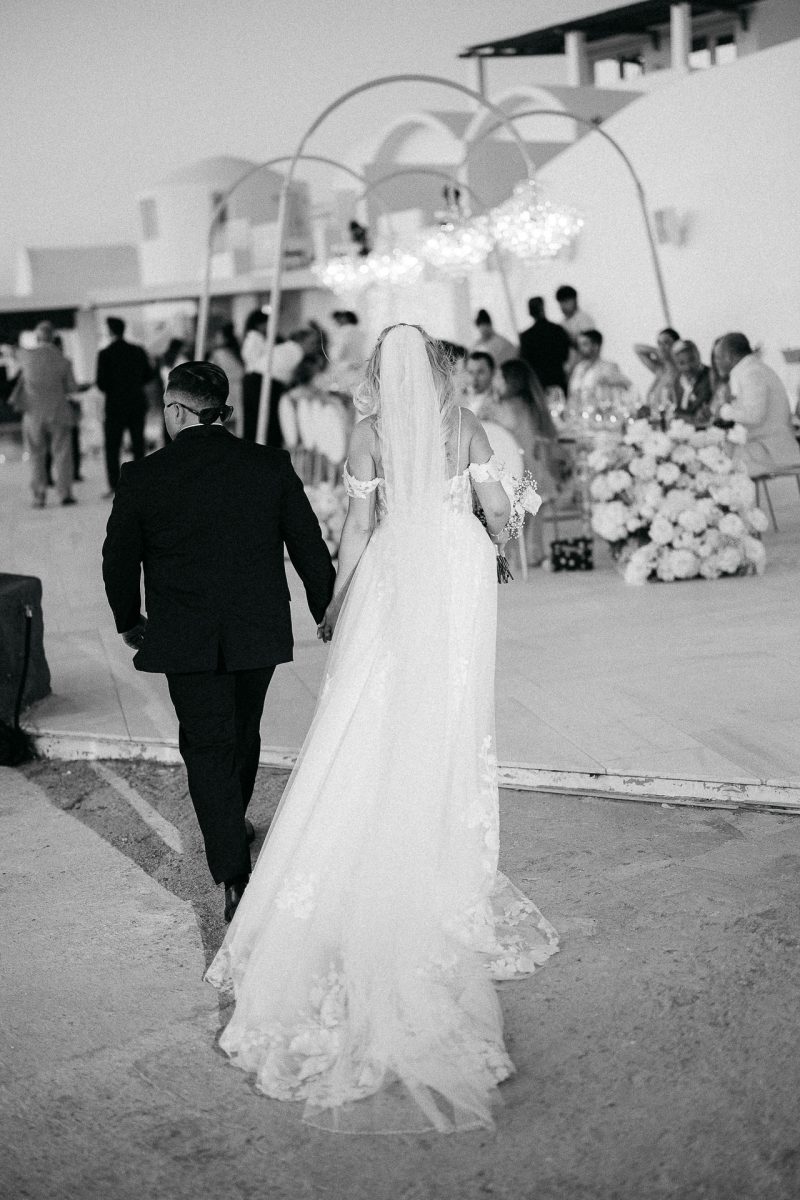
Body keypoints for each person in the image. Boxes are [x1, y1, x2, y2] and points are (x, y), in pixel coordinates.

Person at [205, 324, 558, 1133]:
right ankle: (438, 836)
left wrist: (335, 600)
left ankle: (372, 816)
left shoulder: (367, 433)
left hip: (397, 568)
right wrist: (506, 534)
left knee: (373, 700)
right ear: (435, 368)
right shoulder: (464, 424)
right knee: (452, 708)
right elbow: (496, 511)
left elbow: (358, 529)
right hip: (458, 568)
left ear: (376, 373)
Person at [102, 361, 335, 919]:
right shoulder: (268, 464)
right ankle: (233, 824)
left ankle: (233, 872)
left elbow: (118, 560)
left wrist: (128, 620)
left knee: (206, 744)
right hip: (258, 628)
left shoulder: (142, 476)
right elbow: (308, 544)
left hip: (184, 634)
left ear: (176, 410)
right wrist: (326, 612)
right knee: (243, 730)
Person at [489, 359, 559, 567]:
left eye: (499, 376)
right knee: (534, 515)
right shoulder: (534, 405)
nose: (495, 380)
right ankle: (534, 550)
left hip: (518, 469)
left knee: (516, 516)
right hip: (537, 468)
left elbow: (497, 435)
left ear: (510, 381)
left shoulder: (507, 407)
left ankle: (515, 554)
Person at [714, 332, 800, 475]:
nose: (716, 362)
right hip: (763, 449)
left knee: (718, 468)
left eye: (718, 357)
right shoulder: (748, 370)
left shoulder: (751, 372)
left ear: (729, 356)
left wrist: (724, 411)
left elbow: (754, 416)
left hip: (773, 453)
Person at [13, 321, 77, 507]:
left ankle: (39, 496)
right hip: (58, 412)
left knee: (36, 455)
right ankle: (65, 494)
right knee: (62, 454)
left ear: (37, 337)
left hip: (33, 415)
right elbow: (71, 388)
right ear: (53, 337)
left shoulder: (26, 357)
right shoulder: (63, 360)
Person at [96, 316, 153, 496]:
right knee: (138, 444)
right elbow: (149, 375)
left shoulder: (105, 354)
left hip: (115, 406)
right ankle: (140, 483)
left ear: (110, 331)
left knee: (112, 447)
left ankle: (114, 485)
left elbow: (101, 383)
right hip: (136, 403)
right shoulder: (137, 350)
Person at [518, 297, 571, 393]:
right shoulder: (557, 330)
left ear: (530, 313)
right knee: (560, 401)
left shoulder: (526, 336)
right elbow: (566, 353)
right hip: (558, 379)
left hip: (540, 384)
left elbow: (524, 361)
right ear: (543, 309)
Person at [568, 330, 630, 399]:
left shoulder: (608, 367)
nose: (580, 348)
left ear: (596, 346)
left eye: (584, 344)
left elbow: (627, 386)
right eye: (579, 345)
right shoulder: (578, 368)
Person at [634, 327, 681, 419]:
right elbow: (637, 348)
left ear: (676, 345)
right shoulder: (660, 369)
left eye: (666, 343)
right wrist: (656, 351)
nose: (662, 347)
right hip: (654, 420)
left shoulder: (681, 371)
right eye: (659, 343)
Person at [208, 324, 245, 437]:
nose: (216, 339)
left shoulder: (218, 354)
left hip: (224, 391)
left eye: (218, 336)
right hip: (238, 390)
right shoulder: (236, 352)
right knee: (235, 424)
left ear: (224, 338)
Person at [672, 340, 713, 428]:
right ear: (676, 364)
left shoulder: (710, 376)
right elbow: (677, 409)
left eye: (691, 360)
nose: (688, 367)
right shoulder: (678, 380)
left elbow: (695, 411)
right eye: (682, 363)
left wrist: (678, 415)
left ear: (698, 356)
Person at [555, 284, 594, 370]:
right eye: (561, 303)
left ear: (574, 300)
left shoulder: (584, 320)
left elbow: (589, 346)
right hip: (570, 369)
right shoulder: (561, 324)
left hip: (586, 367)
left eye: (566, 301)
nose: (563, 306)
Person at [463, 349, 499, 417]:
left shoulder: (498, 400)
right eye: (470, 372)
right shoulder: (457, 396)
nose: (474, 378)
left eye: (480, 372)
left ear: (492, 372)